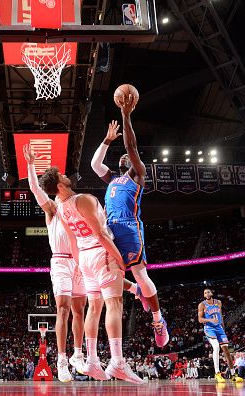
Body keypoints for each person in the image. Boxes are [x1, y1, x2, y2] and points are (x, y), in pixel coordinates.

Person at [39, 166, 142, 383]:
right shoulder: (84, 200)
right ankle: (117, 363)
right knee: (114, 305)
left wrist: (80, 262)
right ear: (59, 185)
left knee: (94, 308)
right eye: (63, 176)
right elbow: (101, 234)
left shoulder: (60, 207)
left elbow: (74, 240)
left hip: (84, 257)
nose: (67, 177)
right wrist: (119, 259)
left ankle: (93, 361)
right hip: (101, 252)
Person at [90, 94, 168, 347]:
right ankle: (137, 293)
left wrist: (125, 114)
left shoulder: (138, 175)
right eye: (122, 156)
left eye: (128, 156)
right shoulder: (112, 177)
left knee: (140, 273)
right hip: (109, 229)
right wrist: (106, 140)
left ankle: (158, 320)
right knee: (108, 275)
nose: (124, 156)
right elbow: (94, 164)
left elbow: (131, 148)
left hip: (128, 228)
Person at [23, 144, 87, 381]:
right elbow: (33, 187)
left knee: (80, 310)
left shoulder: (77, 204)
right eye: (61, 175)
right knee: (63, 308)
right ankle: (61, 360)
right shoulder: (52, 207)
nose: (65, 176)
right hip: (60, 261)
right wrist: (31, 164)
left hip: (80, 261)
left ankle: (77, 354)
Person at [198, 288, 243, 383]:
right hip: (209, 328)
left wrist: (223, 328)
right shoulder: (202, 305)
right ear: (204, 295)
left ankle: (233, 374)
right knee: (216, 347)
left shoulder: (218, 302)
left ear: (211, 293)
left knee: (227, 351)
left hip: (219, 328)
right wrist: (210, 320)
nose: (206, 293)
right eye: (205, 292)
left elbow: (220, 316)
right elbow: (200, 320)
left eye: (208, 291)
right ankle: (217, 374)